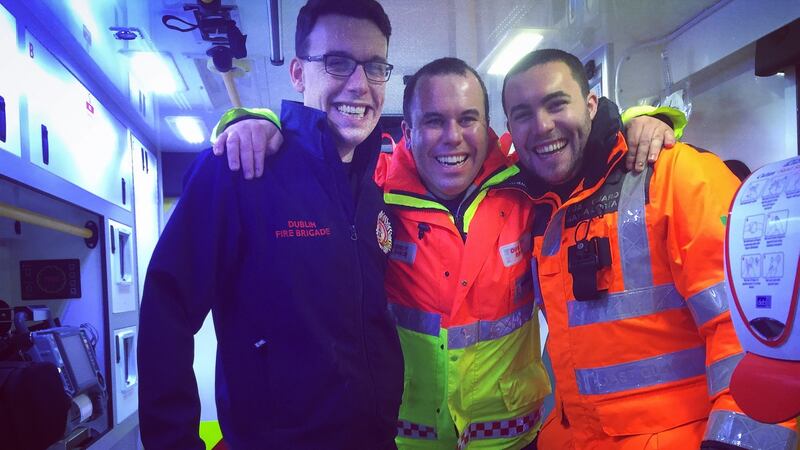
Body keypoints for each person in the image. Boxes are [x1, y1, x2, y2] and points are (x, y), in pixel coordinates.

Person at [210, 62, 679, 450]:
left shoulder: (527, 187)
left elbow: (587, 156)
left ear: (489, 126)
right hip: (402, 438)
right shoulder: (370, 191)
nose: (452, 136)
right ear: (407, 131)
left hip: (515, 439)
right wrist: (252, 122)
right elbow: (311, 156)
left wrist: (644, 120)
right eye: (434, 121)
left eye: (468, 118)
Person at [137, 1, 403, 448]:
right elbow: (168, 309)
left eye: (375, 68)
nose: (360, 85)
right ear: (298, 74)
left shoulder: (372, 195)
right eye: (338, 63)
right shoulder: (240, 169)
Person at [501, 48, 798, 449]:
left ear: (591, 104)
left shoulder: (676, 175)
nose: (542, 126)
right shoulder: (537, 209)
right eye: (522, 114)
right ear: (509, 128)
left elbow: (757, 337)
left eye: (557, 104)